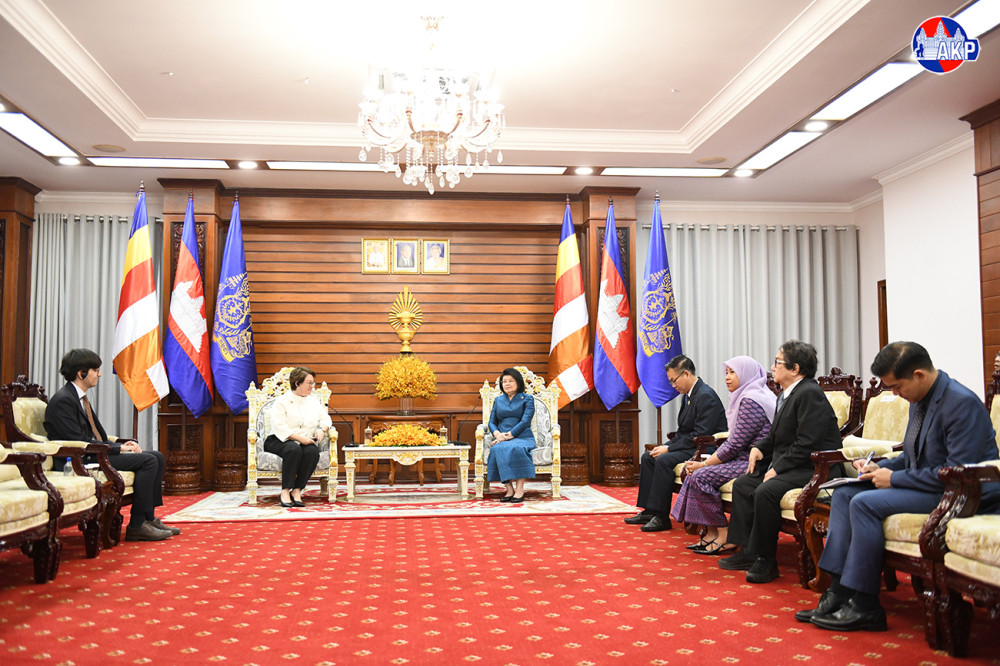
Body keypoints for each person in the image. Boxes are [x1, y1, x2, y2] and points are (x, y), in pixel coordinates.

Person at [799, 342, 999, 632]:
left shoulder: (961, 403)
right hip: (930, 487)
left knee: (863, 504)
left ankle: (865, 605)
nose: (894, 394)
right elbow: (912, 456)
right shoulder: (919, 398)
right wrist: (880, 467)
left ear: (919, 375)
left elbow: (957, 473)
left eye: (896, 386)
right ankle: (838, 592)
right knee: (844, 494)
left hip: (963, 494)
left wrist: (893, 479)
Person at [719, 339, 840, 582]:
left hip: (815, 466)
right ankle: (748, 550)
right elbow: (777, 436)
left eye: (778, 362)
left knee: (766, 491)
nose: (772, 367)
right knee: (744, 484)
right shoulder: (787, 393)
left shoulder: (809, 393)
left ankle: (766, 560)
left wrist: (778, 468)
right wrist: (760, 448)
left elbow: (808, 443)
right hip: (793, 462)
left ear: (795, 369)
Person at [43, 348, 177, 542]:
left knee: (157, 456)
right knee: (148, 461)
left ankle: (149, 518)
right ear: (81, 373)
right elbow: (78, 441)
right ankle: (137, 525)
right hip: (79, 459)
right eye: (96, 370)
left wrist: (117, 443)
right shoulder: (63, 401)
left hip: (94, 453)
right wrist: (117, 448)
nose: (100, 374)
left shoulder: (78, 398)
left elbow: (93, 435)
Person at [671, 356, 776, 554]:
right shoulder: (746, 396)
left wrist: (705, 464)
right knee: (694, 474)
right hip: (742, 457)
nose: (727, 377)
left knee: (700, 476)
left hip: (755, 462)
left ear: (746, 374)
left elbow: (735, 444)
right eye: (726, 372)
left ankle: (723, 532)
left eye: (733, 372)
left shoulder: (752, 401)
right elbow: (733, 441)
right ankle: (710, 533)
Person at [624, 355, 728, 532]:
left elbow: (701, 435)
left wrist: (669, 448)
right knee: (649, 457)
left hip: (705, 448)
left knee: (663, 460)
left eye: (674, 380)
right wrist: (665, 446)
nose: (673, 385)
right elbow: (683, 431)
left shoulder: (705, 396)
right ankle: (649, 510)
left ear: (686, 374)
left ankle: (661, 517)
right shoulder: (688, 395)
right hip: (691, 445)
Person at [264, 366, 331, 507]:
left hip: (304, 441)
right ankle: (285, 491)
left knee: (312, 452)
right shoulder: (282, 401)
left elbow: (326, 419)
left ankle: (297, 490)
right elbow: (279, 426)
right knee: (293, 449)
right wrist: (301, 439)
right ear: (297, 383)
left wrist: (321, 430)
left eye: (313, 383)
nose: (312, 387)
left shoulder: (313, 402)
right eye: (309, 383)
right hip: (279, 439)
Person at [487, 367, 536, 503]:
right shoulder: (498, 400)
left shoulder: (527, 399)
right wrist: (497, 434)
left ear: (518, 382)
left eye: (510, 381)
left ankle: (519, 489)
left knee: (516, 448)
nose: (507, 384)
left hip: (523, 436)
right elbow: (492, 422)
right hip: (502, 437)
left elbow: (525, 421)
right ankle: (509, 489)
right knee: (497, 449)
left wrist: (508, 436)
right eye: (504, 381)